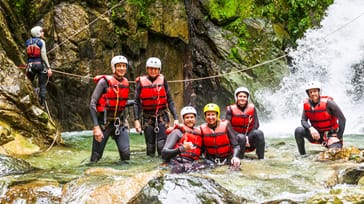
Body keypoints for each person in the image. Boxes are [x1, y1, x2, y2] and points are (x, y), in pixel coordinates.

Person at [89, 55, 133, 163]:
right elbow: (92, 103)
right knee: (96, 157)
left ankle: (121, 177)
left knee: (126, 153)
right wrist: (96, 127)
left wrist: (136, 102)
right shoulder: (104, 82)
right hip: (104, 124)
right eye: (119, 66)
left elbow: (121, 103)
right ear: (113, 68)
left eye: (123, 66)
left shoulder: (125, 83)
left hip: (119, 123)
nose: (122, 68)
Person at [134, 57, 179, 157]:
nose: (153, 71)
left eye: (155, 69)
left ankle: (162, 168)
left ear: (159, 70)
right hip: (147, 118)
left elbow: (170, 100)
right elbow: (136, 102)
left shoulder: (163, 81)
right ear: (147, 69)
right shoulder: (140, 82)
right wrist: (136, 120)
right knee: (150, 147)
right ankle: (150, 169)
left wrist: (176, 118)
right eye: (151, 68)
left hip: (162, 117)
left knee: (161, 146)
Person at [294, 81, 346, 155]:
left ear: (319, 92)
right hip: (316, 134)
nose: (312, 94)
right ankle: (302, 155)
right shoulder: (307, 104)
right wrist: (311, 128)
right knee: (298, 130)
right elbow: (303, 120)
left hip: (330, 135)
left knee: (334, 155)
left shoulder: (329, 103)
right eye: (310, 92)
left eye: (315, 91)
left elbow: (342, 119)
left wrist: (338, 137)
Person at [225, 87, 265, 159]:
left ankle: (261, 158)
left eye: (244, 97)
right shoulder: (230, 110)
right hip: (235, 138)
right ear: (236, 97)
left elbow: (256, 124)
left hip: (248, 137)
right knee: (241, 137)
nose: (242, 98)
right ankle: (239, 159)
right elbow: (227, 127)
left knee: (259, 133)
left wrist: (247, 137)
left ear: (247, 98)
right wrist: (240, 136)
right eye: (240, 96)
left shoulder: (252, 108)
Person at [161, 106, 203, 173]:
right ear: (183, 119)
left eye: (192, 117)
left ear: (195, 119)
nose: (190, 119)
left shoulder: (199, 134)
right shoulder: (177, 132)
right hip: (176, 163)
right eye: (187, 117)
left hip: (192, 164)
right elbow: (164, 153)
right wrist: (182, 148)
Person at [200, 103, 241, 168]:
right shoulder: (201, 129)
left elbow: (236, 146)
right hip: (211, 161)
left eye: (213, 115)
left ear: (217, 115)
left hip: (227, 159)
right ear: (205, 116)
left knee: (236, 167)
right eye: (208, 115)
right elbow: (200, 149)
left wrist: (235, 157)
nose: (210, 117)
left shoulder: (226, 124)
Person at [25, 26, 52, 108]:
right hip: (40, 65)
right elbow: (43, 55)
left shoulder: (28, 42)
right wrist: (48, 68)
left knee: (29, 83)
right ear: (37, 33)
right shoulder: (41, 42)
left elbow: (27, 54)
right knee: (42, 85)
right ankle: (42, 104)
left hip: (31, 66)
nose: (42, 33)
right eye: (41, 31)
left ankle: (29, 99)